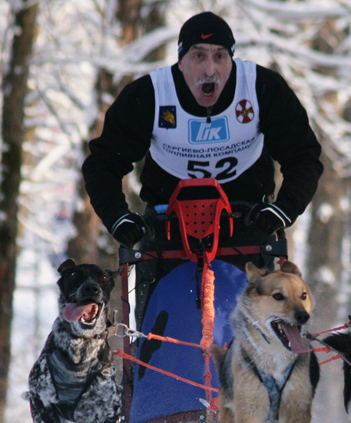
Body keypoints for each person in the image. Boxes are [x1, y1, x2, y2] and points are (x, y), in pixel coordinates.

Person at [82, 11, 322, 275]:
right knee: (167, 311)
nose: (210, 70)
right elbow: (103, 162)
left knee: (248, 311)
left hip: (248, 223)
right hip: (168, 226)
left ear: (232, 59)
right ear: (181, 61)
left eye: (220, 56)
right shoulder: (151, 95)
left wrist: (284, 209)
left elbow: (303, 155)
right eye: (199, 56)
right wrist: (117, 217)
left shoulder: (260, 88)